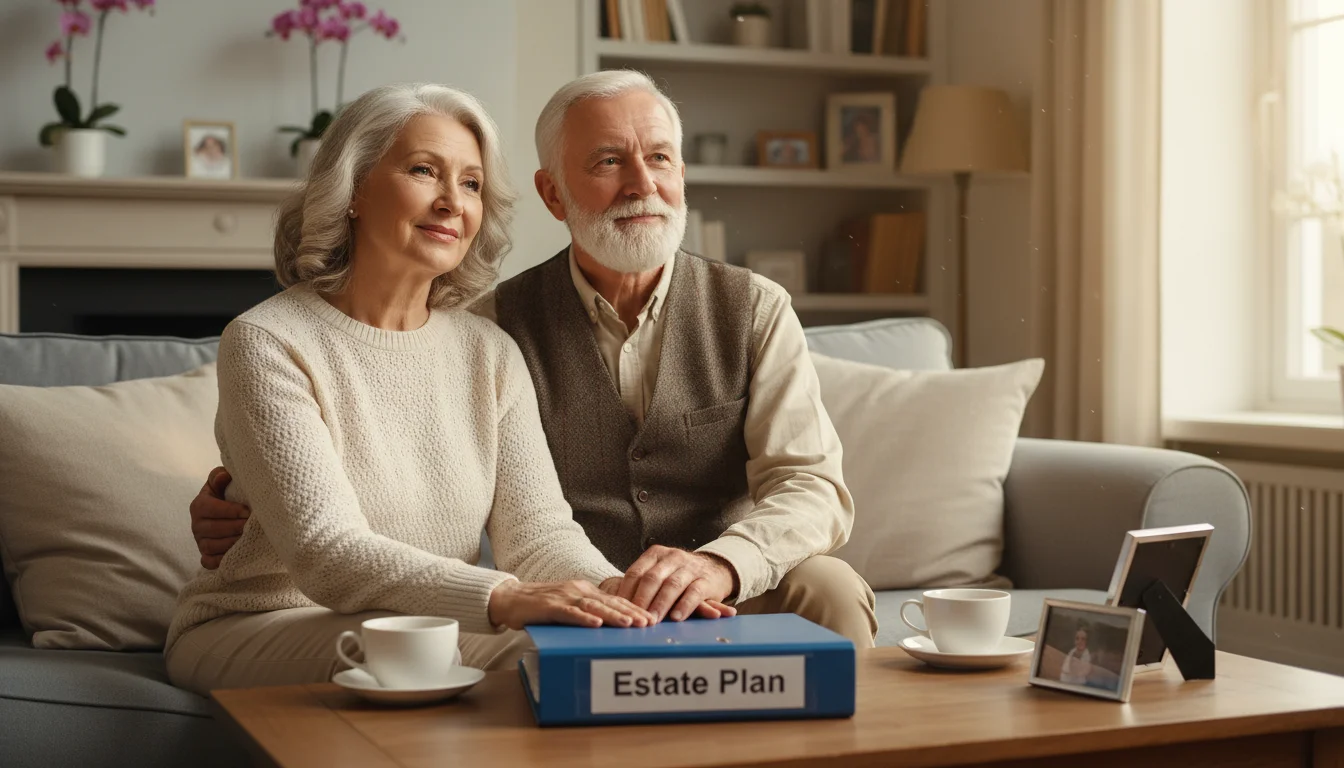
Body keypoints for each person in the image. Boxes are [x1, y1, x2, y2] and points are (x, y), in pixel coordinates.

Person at [190, 71, 878, 647]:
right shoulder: (492, 324)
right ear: (554, 193)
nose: (642, 183)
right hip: (565, 591)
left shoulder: (754, 308)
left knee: (829, 586)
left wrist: (726, 565)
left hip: (716, 586)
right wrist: (240, 491)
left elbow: (811, 486)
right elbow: (376, 443)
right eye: (608, 161)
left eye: (660, 158)